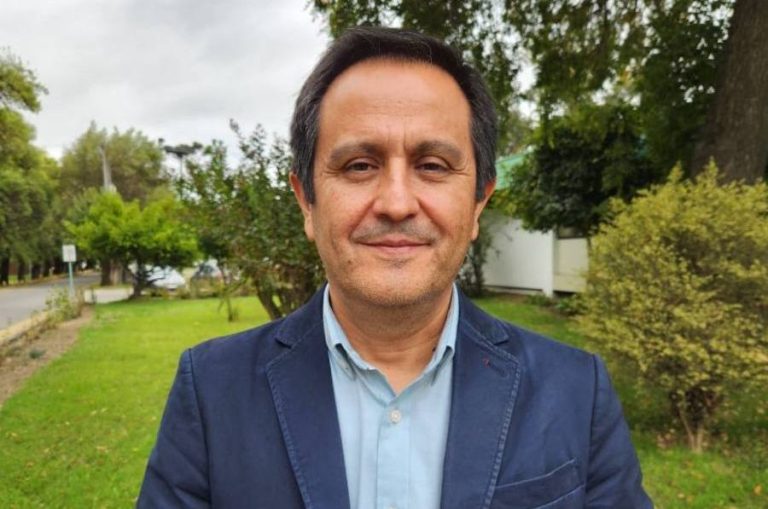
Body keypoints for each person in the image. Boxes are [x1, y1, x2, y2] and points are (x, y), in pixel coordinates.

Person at [138, 27, 653, 509]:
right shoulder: (211, 393)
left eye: (433, 166)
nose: (397, 204)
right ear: (306, 202)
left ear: (478, 202)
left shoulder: (576, 391)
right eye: (360, 166)